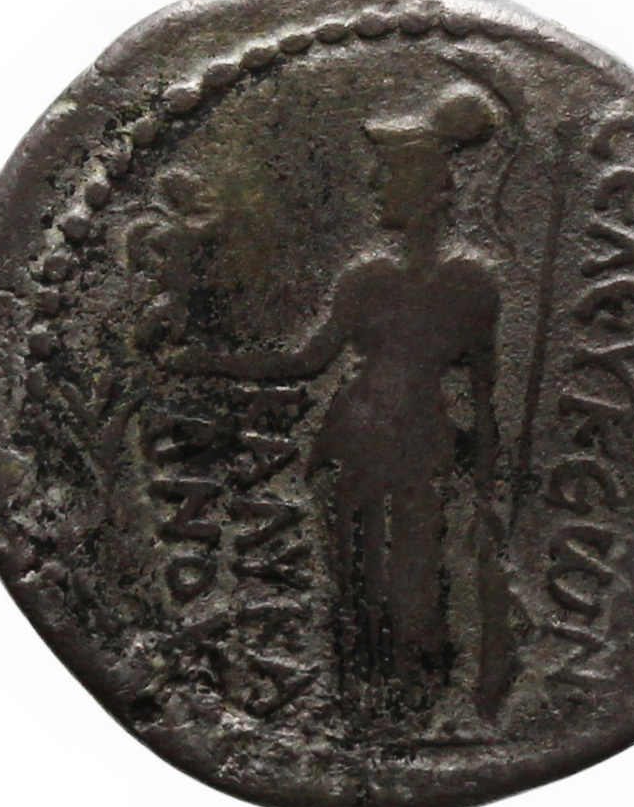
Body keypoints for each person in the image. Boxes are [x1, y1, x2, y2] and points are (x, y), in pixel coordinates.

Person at [196, 83, 506, 716]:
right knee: (371, 573)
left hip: (401, 446)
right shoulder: (394, 278)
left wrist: (489, 482)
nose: (373, 185)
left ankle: (405, 705)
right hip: (376, 445)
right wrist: (211, 363)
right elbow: (309, 363)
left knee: (403, 576)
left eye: (387, 174)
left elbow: (483, 395)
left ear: (420, 186)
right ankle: (380, 706)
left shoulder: (455, 283)